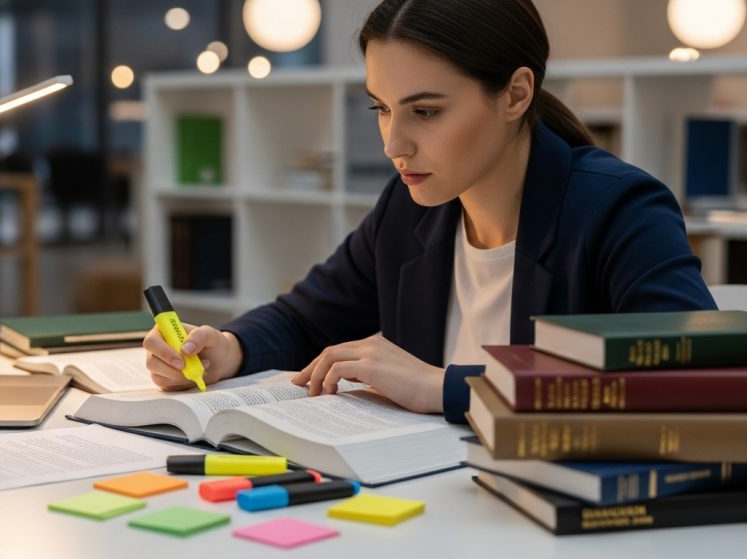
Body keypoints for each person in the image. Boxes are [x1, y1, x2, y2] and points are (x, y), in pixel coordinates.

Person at [144, 0, 716, 423]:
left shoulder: (617, 208)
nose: (394, 144)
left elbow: (695, 382)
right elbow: (306, 318)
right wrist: (229, 349)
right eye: (382, 109)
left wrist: (448, 388)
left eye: (426, 112)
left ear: (516, 94)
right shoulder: (412, 208)